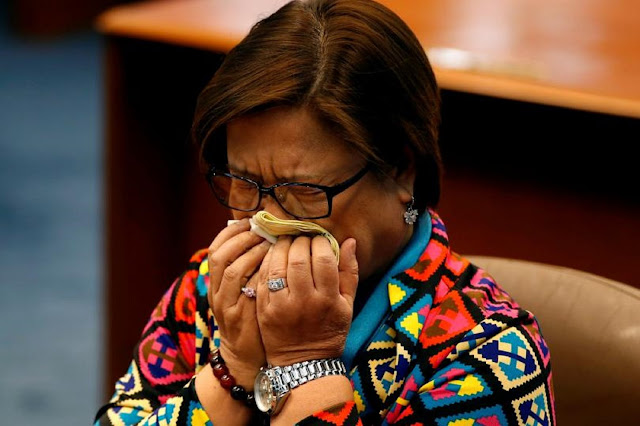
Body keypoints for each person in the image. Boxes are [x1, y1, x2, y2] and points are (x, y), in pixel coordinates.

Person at [95, 0, 555, 424]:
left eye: (302, 190)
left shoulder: (488, 355)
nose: (265, 220)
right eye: (244, 181)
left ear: (401, 170)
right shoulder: (212, 290)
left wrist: (306, 362)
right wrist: (231, 368)